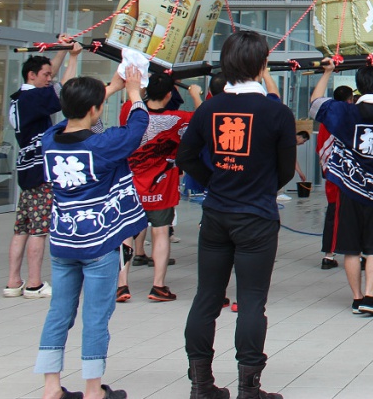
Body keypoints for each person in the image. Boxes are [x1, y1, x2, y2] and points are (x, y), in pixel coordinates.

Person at [178, 30, 297, 399]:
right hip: (257, 216)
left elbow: (185, 157)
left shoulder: (208, 109)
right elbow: (286, 169)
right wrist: (259, 186)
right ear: (262, 65)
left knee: (206, 297)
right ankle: (249, 388)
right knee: (251, 300)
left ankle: (201, 385)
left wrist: (216, 181)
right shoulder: (277, 112)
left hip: (216, 213)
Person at [34, 66, 148, 399]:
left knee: (59, 313)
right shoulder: (103, 145)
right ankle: (93, 389)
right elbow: (137, 127)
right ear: (95, 109)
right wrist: (132, 92)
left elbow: (67, 121)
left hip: (63, 241)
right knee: (96, 316)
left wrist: (105, 91)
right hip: (98, 243)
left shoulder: (49, 141)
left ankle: (51, 387)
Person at [311, 62, 373, 317]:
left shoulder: (345, 111)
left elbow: (315, 104)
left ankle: (356, 298)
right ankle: (369, 295)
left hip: (348, 188)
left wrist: (327, 72)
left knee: (351, 247)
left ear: (357, 87)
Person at [116, 72, 201, 304]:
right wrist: (195, 95)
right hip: (161, 188)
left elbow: (134, 96)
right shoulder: (180, 118)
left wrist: (139, 85)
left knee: (126, 234)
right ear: (169, 95)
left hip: (131, 187)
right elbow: (204, 118)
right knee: (161, 232)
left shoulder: (129, 112)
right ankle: (158, 286)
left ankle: (121, 285)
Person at [7, 38, 81, 301]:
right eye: (46, 75)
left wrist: (61, 51)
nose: (50, 79)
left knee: (22, 229)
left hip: (27, 169)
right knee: (39, 230)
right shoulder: (33, 98)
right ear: (32, 75)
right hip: (40, 171)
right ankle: (34, 283)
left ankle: (13, 281)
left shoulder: (19, 97)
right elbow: (65, 92)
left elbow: (53, 84)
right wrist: (74, 57)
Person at [318, 86, 355, 270]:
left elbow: (321, 147)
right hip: (344, 174)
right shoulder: (348, 117)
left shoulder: (326, 118)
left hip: (331, 172)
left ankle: (330, 254)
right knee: (347, 213)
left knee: (334, 212)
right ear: (349, 100)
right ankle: (345, 254)